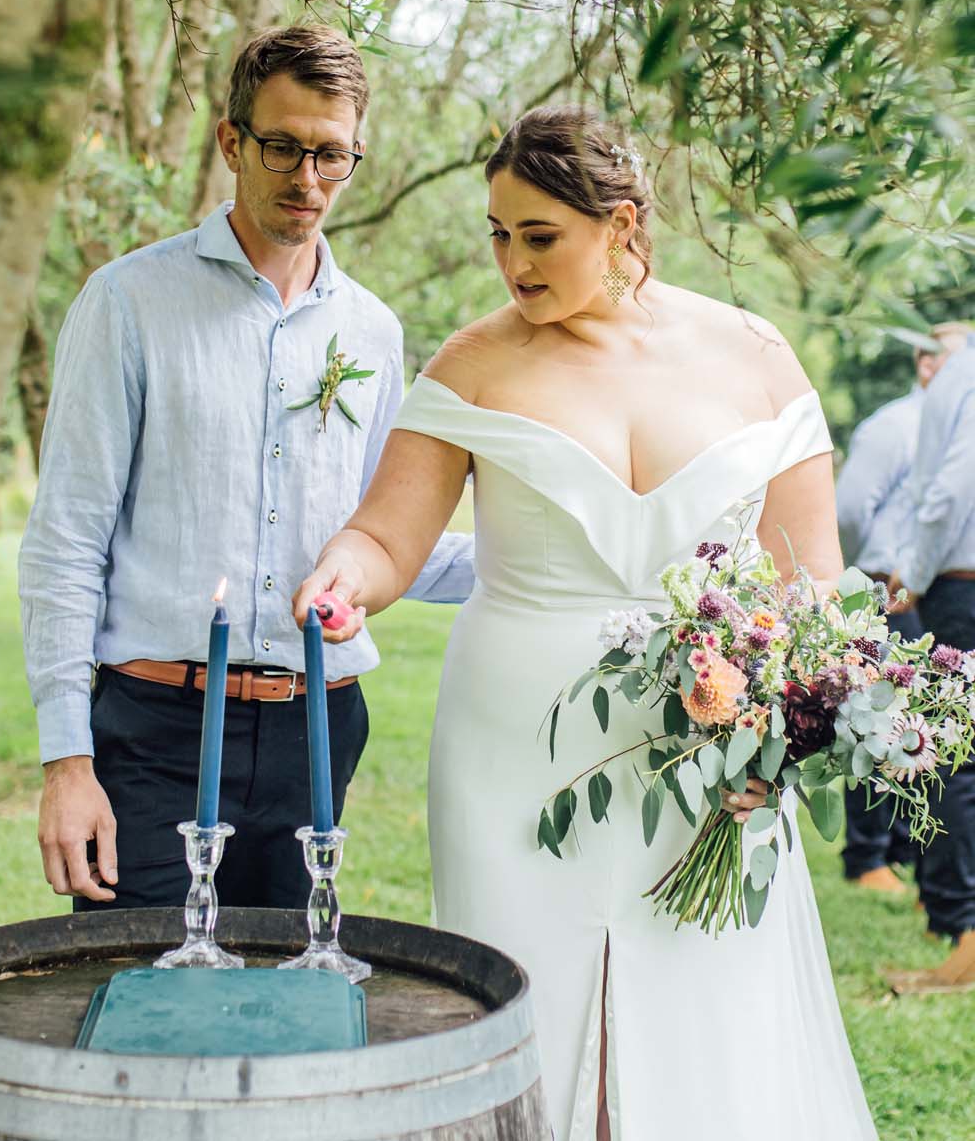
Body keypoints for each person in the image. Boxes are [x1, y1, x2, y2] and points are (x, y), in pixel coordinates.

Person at [293, 107, 877, 1141]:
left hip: (710, 745)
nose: (512, 262)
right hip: (516, 749)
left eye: (539, 236)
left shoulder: (753, 353)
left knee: (707, 1004)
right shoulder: (473, 364)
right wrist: (341, 581)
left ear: (619, 224)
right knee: (531, 989)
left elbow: (810, 587)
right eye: (498, 234)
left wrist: (784, 739)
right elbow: (384, 537)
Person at [19, 24, 473, 912]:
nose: (308, 180)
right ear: (232, 142)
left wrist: (567, 564)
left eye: (332, 156)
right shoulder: (127, 303)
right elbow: (66, 541)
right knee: (148, 1012)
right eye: (283, 147)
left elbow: (391, 540)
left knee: (287, 1019)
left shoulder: (374, 334)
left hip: (318, 731)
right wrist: (67, 761)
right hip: (155, 736)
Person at [835, 334, 953, 890]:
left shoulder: (951, 429)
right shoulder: (893, 426)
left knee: (923, 724)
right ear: (926, 364)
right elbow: (851, 508)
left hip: (931, 591)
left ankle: (906, 846)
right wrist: (870, 571)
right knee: (877, 717)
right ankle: (866, 856)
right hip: (887, 589)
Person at [887, 322, 975, 992]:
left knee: (953, 758)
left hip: (960, 586)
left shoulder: (961, 373)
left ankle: (962, 935)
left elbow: (950, 488)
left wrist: (910, 572)